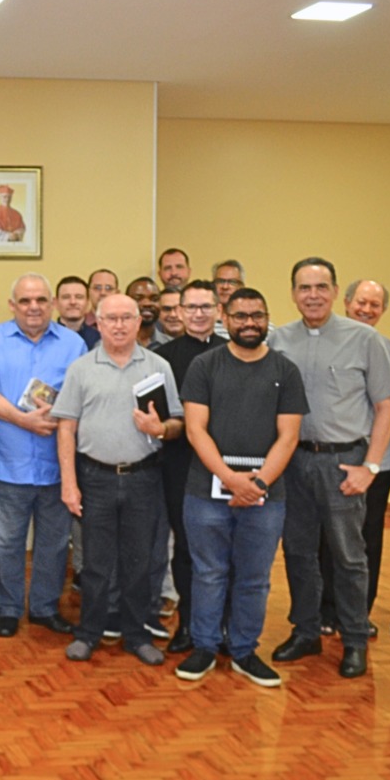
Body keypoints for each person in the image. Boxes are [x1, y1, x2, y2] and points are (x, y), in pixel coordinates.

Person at [268, 257, 390, 679]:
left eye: (321, 287)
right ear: (293, 293)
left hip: (344, 462)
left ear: (334, 292)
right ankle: (306, 631)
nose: (313, 295)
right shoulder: (278, 341)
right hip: (293, 462)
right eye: (304, 287)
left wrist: (371, 466)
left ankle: (355, 638)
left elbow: (387, 406)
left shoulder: (365, 339)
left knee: (349, 556)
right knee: (298, 552)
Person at [175, 288, 307, 687]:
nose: (250, 323)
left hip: (267, 496)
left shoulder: (285, 370)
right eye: (240, 316)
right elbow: (195, 430)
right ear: (224, 317)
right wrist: (230, 479)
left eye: (257, 315)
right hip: (206, 491)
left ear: (267, 318)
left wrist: (260, 483)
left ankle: (245, 650)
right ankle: (205, 646)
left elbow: (289, 436)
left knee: (254, 577)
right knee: (208, 573)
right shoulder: (204, 365)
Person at [56, 294, 182, 667]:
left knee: (139, 562)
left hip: (144, 478)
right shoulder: (81, 368)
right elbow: (66, 428)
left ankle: (137, 635)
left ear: (138, 321)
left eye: (127, 317)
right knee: (96, 564)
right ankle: (89, 633)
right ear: (98, 322)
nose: (119, 325)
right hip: (95, 478)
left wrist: (161, 428)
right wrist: (69, 483)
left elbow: (177, 423)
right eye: (111, 318)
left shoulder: (158, 366)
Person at [0, 273, 86, 638]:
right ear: (12, 305)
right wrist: (23, 420)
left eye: (40, 300)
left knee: (54, 543)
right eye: (24, 300)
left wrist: (61, 414)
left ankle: (44, 608)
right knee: (5, 543)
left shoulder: (74, 344)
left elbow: (85, 393)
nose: (33, 307)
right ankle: (7, 610)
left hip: (58, 465)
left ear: (52, 303)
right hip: (8, 464)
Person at [319, 278, 390, 637]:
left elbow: (389, 407)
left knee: (365, 541)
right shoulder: (326, 342)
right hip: (330, 460)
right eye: (361, 303)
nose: (366, 310)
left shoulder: (387, 349)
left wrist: (372, 464)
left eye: (374, 305)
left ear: (383, 311)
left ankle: (358, 614)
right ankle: (326, 611)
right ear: (346, 302)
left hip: (372, 463)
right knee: (326, 539)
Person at [154, 280, 227, 653]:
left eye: (206, 307)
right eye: (191, 307)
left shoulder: (236, 352)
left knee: (226, 548)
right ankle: (188, 624)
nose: (198, 314)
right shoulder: (162, 358)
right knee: (185, 547)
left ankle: (224, 626)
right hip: (180, 464)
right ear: (179, 311)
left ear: (219, 311)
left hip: (228, 465)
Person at [55, 276, 100, 348]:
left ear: (88, 303)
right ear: (56, 303)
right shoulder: (44, 338)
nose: (73, 302)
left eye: (79, 297)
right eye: (66, 297)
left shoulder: (98, 339)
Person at [126, 276, 168, 348]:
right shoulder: (113, 343)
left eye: (154, 299)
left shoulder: (172, 345)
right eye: (138, 298)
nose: (147, 304)